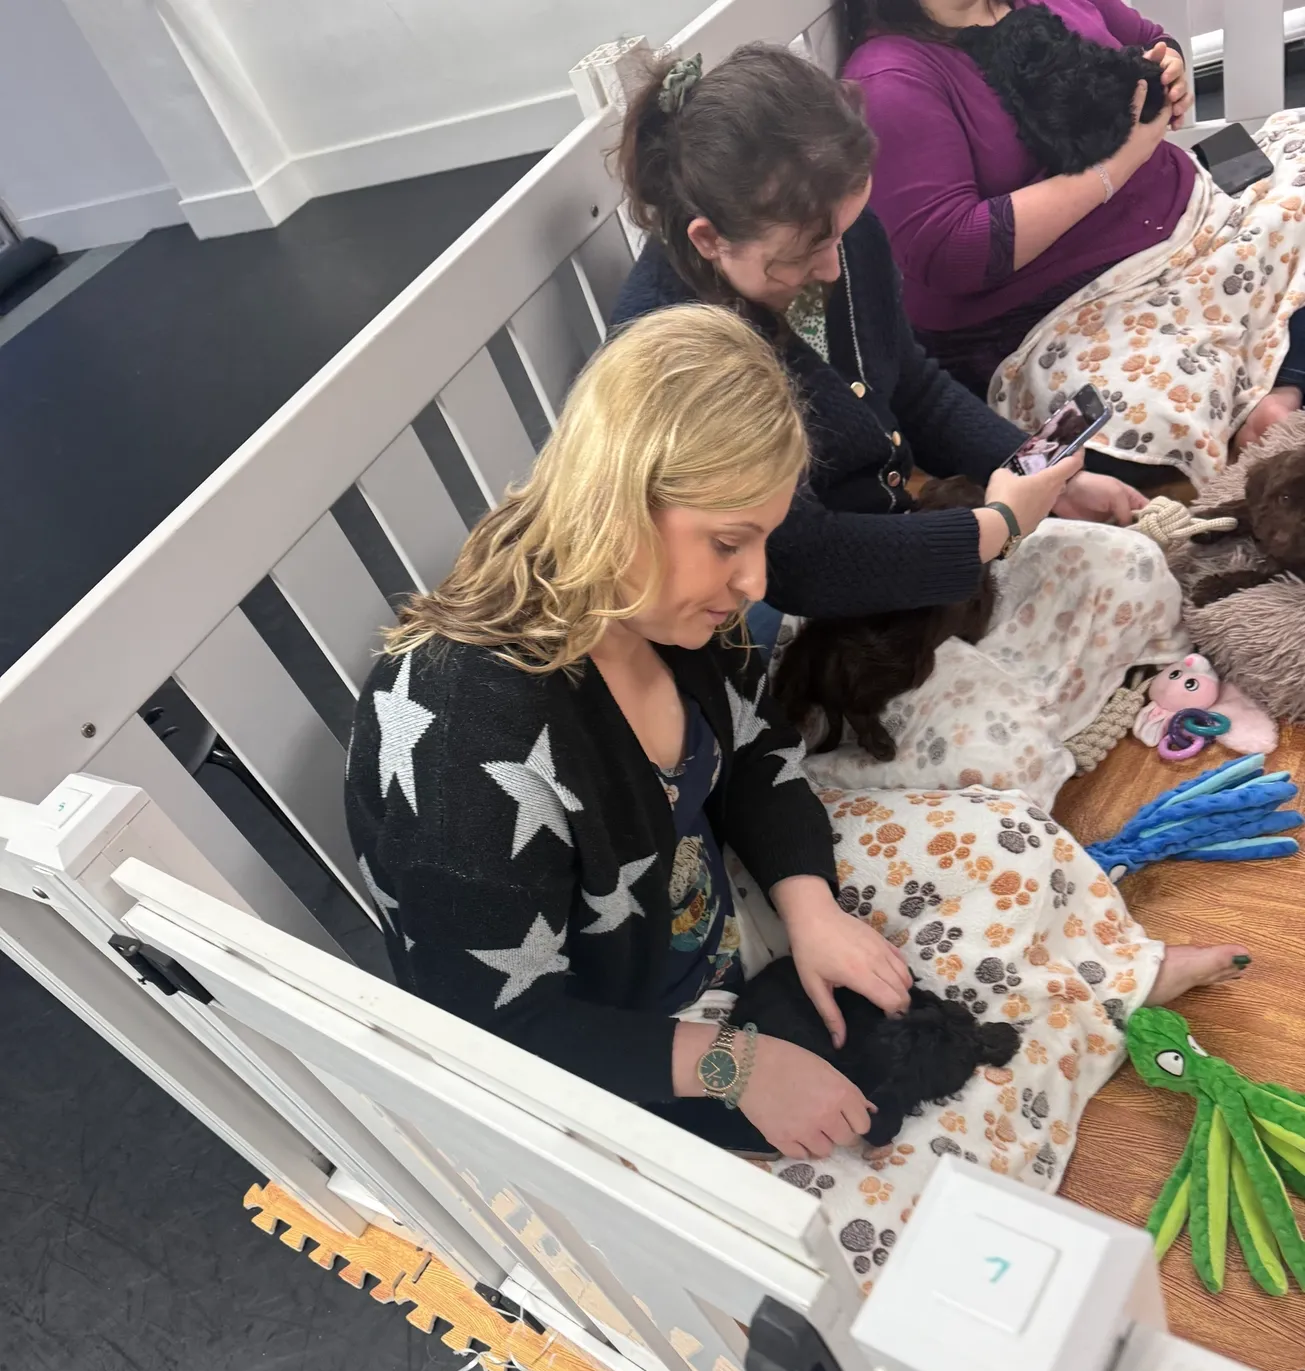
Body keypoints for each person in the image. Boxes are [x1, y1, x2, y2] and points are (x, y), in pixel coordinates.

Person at [344, 304, 1247, 1172]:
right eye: (729, 543)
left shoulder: (667, 608)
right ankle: (1082, 1011)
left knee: (1006, 838)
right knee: (918, 1150)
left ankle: (1107, 977)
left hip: (701, 909)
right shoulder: (462, 739)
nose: (755, 582)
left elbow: (757, 755)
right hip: (611, 1039)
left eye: (765, 542)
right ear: (613, 502)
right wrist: (731, 1063)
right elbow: (497, 1027)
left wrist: (810, 909)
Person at [609, 42, 1146, 632]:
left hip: (899, 539)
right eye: (802, 253)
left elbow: (910, 385)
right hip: (791, 606)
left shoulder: (838, 230)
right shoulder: (678, 358)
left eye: (840, 231)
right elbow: (794, 562)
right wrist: (994, 527)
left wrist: (1045, 477)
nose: (833, 268)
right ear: (709, 239)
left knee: (1127, 585)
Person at [843, 0, 1305, 467]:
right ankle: (1273, 386)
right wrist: (1116, 166)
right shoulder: (890, 78)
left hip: (1194, 217)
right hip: (1067, 310)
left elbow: (1148, 37)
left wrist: (1171, 67)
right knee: (1143, 412)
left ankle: (1280, 389)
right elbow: (950, 250)